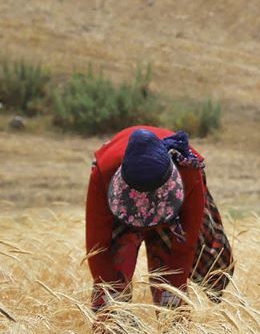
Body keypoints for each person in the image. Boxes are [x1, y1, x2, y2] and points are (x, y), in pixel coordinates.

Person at [85, 126, 232, 326]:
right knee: (111, 291)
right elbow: (98, 248)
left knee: (172, 299)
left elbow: (185, 245)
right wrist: (114, 308)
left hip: (172, 214)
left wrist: (173, 298)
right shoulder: (104, 173)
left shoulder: (188, 170)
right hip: (123, 211)